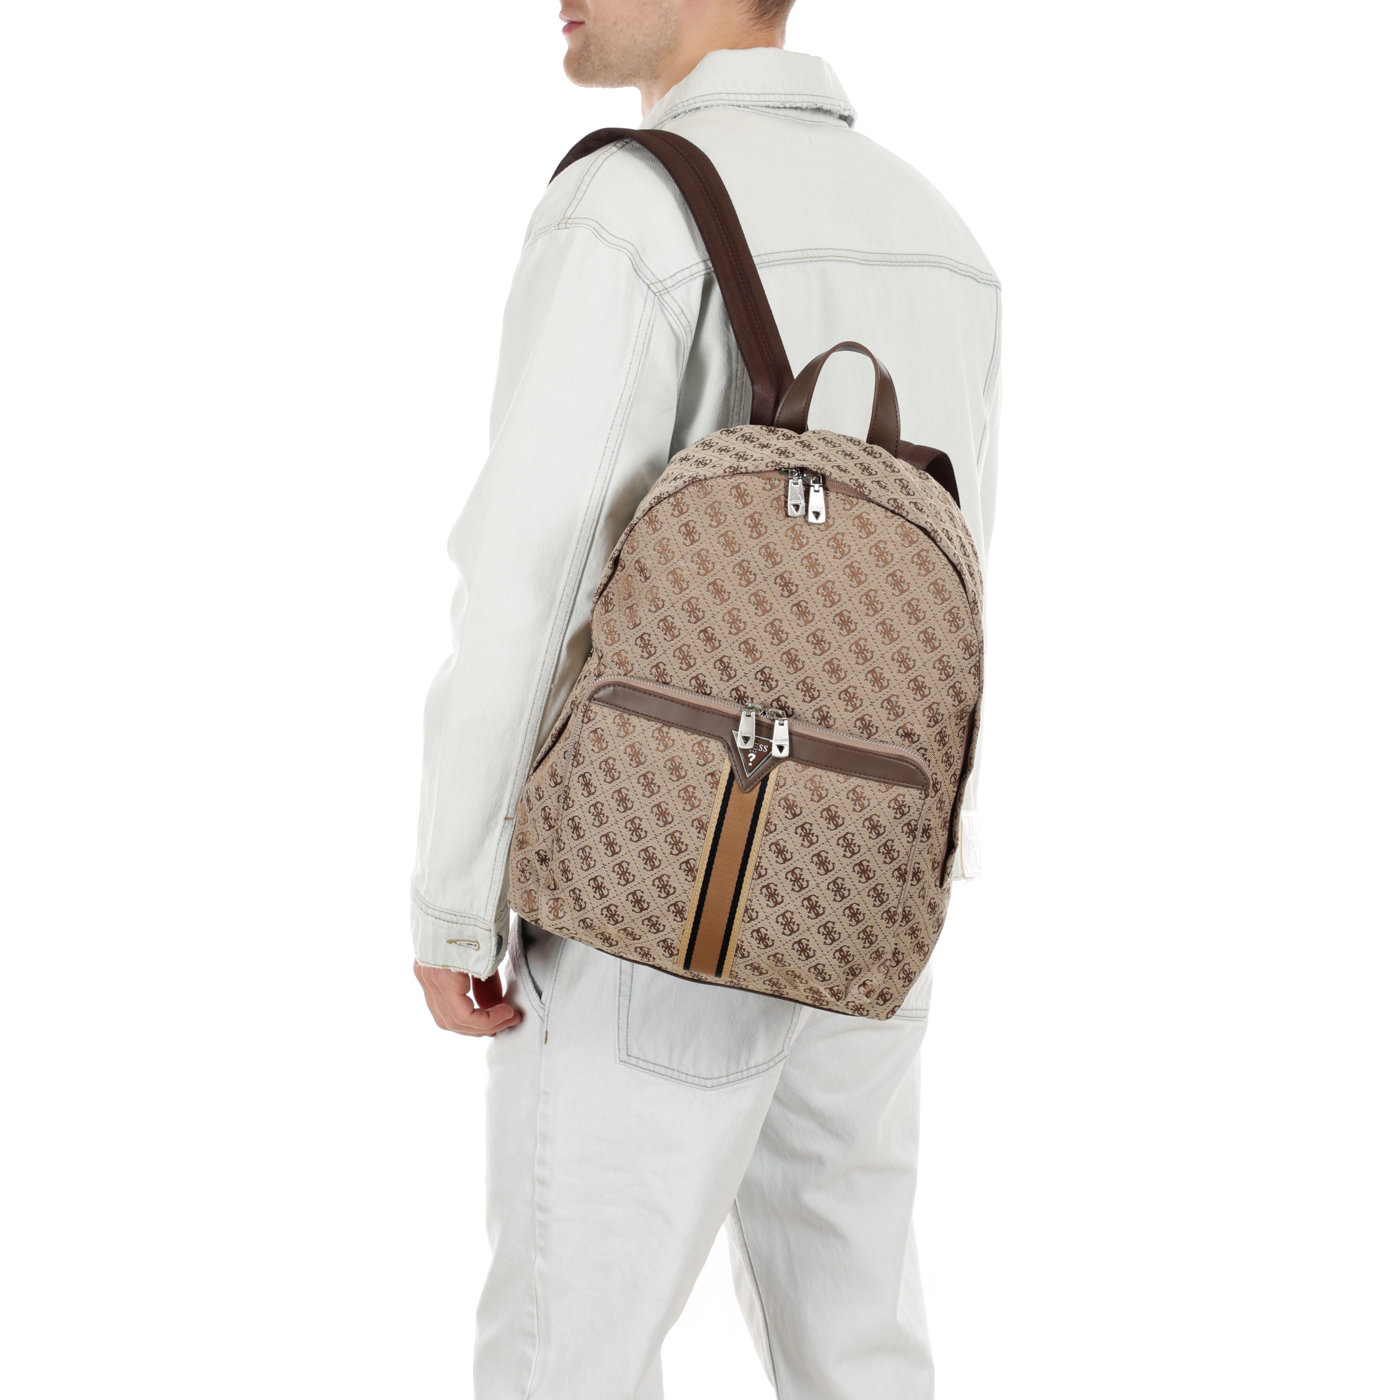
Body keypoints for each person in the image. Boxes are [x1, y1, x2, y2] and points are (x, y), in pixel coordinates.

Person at [410, 2, 1000, 1394]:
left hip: (652, 898)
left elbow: (532, 575)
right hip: (867, 899)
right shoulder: (941, 235)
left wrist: (455, 897)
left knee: (569, 1362)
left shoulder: (631, 210)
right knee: (856, 1347)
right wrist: (925, 864)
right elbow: (960, 590)